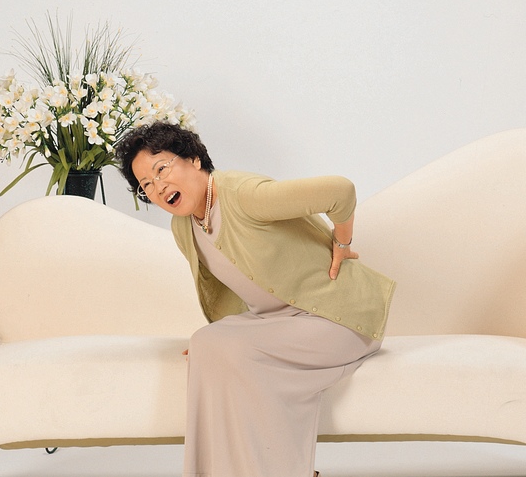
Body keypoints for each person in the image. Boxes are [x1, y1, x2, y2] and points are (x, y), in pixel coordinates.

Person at [115, 122, 396, 477]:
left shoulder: (243, 194)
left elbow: (340, 191)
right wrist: (222, 340)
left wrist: (342, 243)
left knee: (217, 344)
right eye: (146, 185)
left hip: (338, 320)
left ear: (194, 159)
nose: (158, 187)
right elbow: (234, 289)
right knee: (205, 344)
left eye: (162, 169)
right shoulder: (183, 227)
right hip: (281, 324)